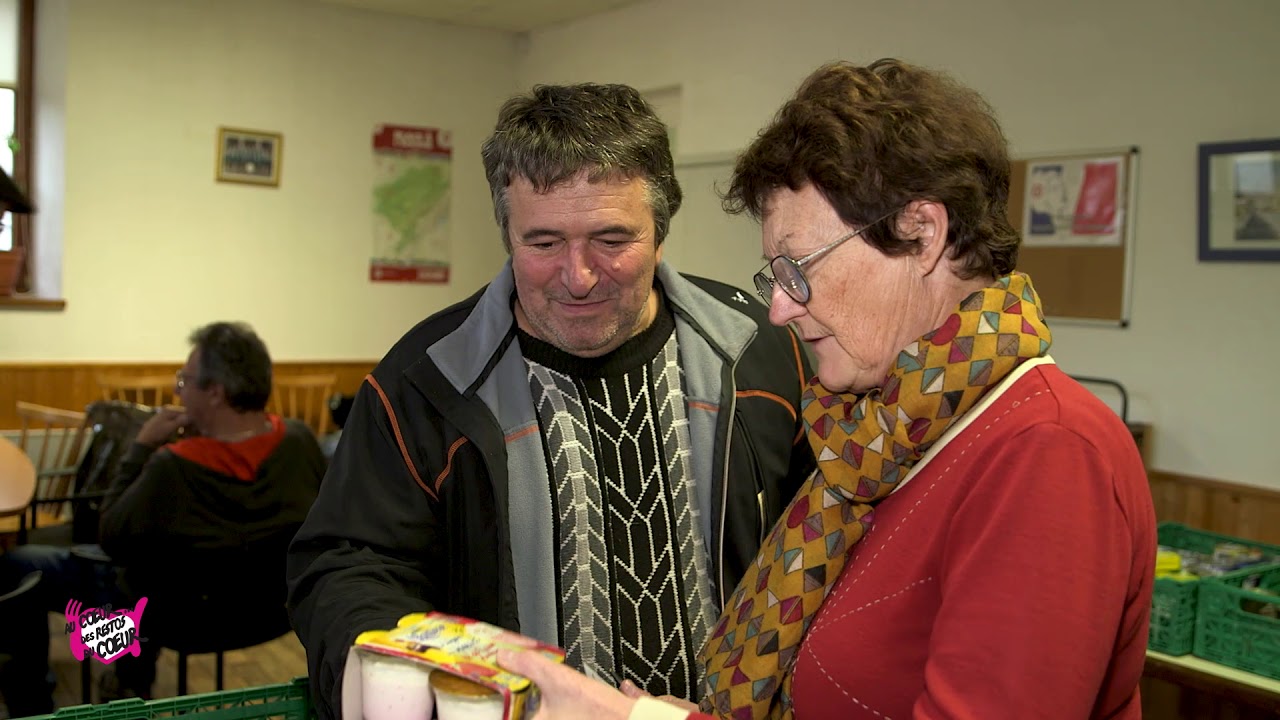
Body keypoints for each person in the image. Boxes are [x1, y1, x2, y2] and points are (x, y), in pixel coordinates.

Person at [496, 58, 1157, 720]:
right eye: (773, 274)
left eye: (799, 269)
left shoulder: (1046, 452)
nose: (780, 308)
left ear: (921, 234)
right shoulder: (880, 435)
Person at [286, 82, 816, 719]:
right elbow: (347, 567)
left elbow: (822, 541)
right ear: (507, 234)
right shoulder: (423, 381)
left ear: (661, 232)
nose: (579, 275)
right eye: (542, 244)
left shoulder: (760, 352)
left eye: (612, 240)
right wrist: (420, 685)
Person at [0, 321, 325, 712]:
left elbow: (111, 535)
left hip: (181, 620)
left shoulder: (173, 468)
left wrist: (141, 446)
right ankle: (127, 673)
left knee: (19, 566)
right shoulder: (299, 440)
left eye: (185, 381)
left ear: (216, 393)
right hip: (270, 613)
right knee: (144, 577)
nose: (177, 391)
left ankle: (35, 703)